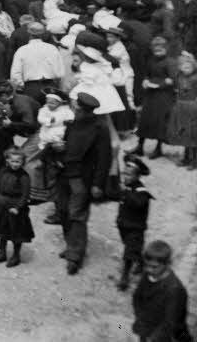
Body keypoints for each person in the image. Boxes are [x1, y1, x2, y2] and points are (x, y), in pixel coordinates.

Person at [51, 92, 111, 275]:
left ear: (85, 110)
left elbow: (104, 159)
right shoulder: (72, 123)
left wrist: (98, 184)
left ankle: (75, 256)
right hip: (64, 174)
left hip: (81, 178)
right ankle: (70, 245)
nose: (74, 109)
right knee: (62, 211)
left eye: (77, 107)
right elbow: (68, 145)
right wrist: (60, 148)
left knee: (77, 215)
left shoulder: (100, 128)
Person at [131, 241, 191, 342]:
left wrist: (154, 338)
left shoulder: (174, 290)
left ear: (167, 264)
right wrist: (140, 318)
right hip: (147, 326)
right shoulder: (148, 275)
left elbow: (170, 322)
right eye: (146, 265)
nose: (149, 269)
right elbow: (137, 297)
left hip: (165, 334)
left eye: (154, 267)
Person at [117, 155, 153, 292]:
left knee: (129, 251)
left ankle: (124, 277)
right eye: (124, 174)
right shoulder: (126, 187)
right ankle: (141, 262)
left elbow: (139, 203)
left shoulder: (141, 191)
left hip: (135, 227)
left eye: (129, 175)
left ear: (137, 177)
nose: (125, 177)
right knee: (132, 247)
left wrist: (126, 193)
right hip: (124, 225)